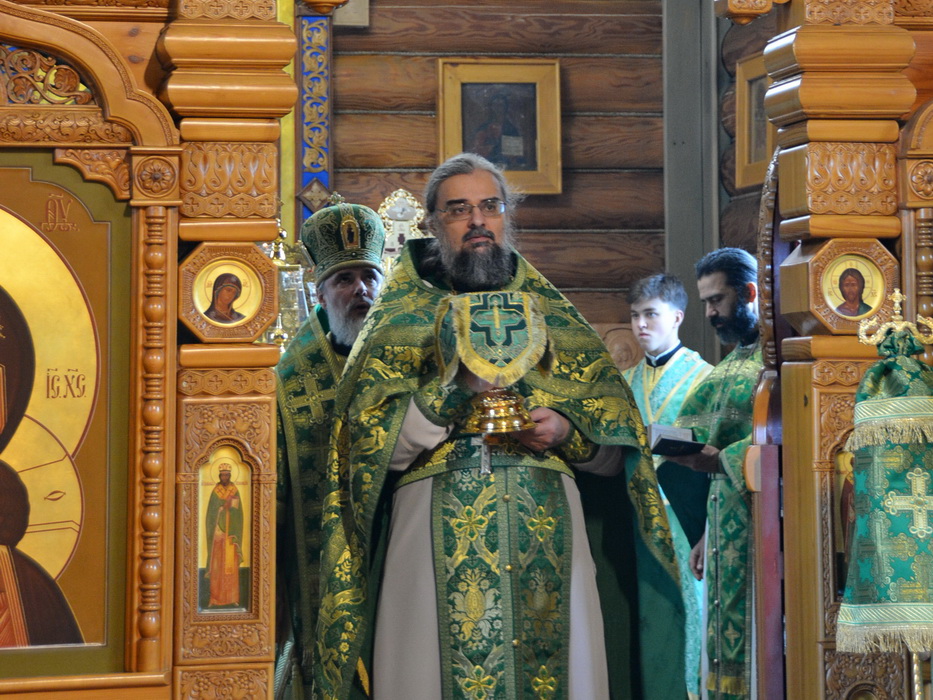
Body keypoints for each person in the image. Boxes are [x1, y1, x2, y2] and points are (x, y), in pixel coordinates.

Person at [314, 153, 685, 700]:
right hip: (429, 531)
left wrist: (568, 434)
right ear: (433, 223)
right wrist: (454, 387)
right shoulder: (399, 319)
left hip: (548, 527)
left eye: (490, 206)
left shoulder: (552, 315)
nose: (477, 221)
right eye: (458, 209)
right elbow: (366, 456)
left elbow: (620, 454)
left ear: (507, 214)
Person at [274, 200, 386, 699]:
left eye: (369, 277)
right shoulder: (291, 378)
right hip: (317, 561)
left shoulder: (403, 359)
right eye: (345, 279)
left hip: (392, 547)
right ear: (319, 293)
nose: (361, 290)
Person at [658, 247, 763, 700]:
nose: (710, 313)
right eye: (705, 302)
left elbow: (791, 440)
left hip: (765, 527)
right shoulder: (727, 368)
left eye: (717, 300)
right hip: (724, 527)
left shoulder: (781, 364)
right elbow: (696, 442)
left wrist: (722, 459)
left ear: (751, 292)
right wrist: (703, 531)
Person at [622, 273, 712, 700]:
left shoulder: (705, 378)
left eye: (650, 314)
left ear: (676, 317)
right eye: (634, 315)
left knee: (688, 615)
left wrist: (709, 530)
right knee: (642, 616)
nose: (640, 324)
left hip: (686, 520)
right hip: (634, 518)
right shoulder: (622, 383)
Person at [205, 462, 244, 607]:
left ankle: (232, 598)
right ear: (219, 476)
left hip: (230, 535)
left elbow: (239, 513)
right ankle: (214, 599)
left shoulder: (235, 490)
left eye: (227, 475)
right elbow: (210, 513)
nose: (225, 477)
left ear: (230, 476)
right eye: (223, 475)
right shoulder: (216, 491)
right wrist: (219, 509)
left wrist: (230, 506)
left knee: (230, 567)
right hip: (218, 535)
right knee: (217, 566)